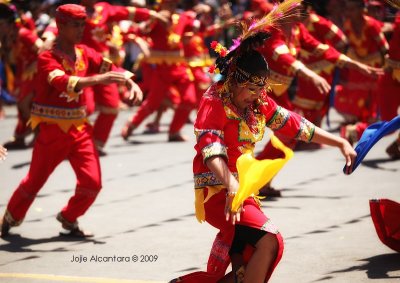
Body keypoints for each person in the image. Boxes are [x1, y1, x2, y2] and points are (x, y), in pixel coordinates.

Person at [171, 26, 357, 283]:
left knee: (245, 263)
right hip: (217, 192)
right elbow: (210, 148)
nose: (258, 96)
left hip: (241, 193)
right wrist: (232, 185)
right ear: (235, 80)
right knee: (271, 240)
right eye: (252, 89)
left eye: (261, 90)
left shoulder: (258, 101)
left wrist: (339, 142)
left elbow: (294, 124)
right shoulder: (214, 101)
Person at [0, 4, 143, 238]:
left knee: (93, 183)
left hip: (80, 130)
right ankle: (9, 218)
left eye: (82, 25)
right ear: (61, 26)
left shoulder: (86, 52)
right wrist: (100, 79)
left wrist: (130, 82)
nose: (80, 30)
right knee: (33, 182)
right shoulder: (47, 57)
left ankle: (68, 218)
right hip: (51, 132)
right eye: (75, 25)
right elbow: (64, 82)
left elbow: (111, 67)